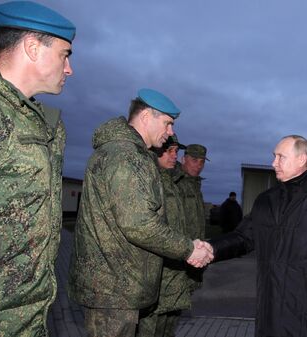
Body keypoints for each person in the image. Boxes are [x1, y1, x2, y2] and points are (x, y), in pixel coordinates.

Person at [67, 89, 213, 337]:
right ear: (146, 116)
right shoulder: (124, 156)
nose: (169, 133)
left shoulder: (133, 155)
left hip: (121, 285)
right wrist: (188, 249)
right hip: (113, 288)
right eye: (167, 124)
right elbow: (138, 223)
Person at [208, 135, 307, 337]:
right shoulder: (265, 200)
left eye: (280, 157)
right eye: (274, 157)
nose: (273, 163)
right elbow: (244, 238)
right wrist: (210, 248)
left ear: (302, 159)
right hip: (269, 308)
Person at [0, 2, 75, 335]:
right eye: (64, 55)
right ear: (32, 47)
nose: (69, 69)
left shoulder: (45, 124)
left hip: (31, 317)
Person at [137, 135, 203, 337]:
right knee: (149, 327)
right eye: (170, 151)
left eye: (176, 151)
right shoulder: (148, 180)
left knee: (168, 328)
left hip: (176, 267)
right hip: (155, 272)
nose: (175, 155)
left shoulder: (173, 182)